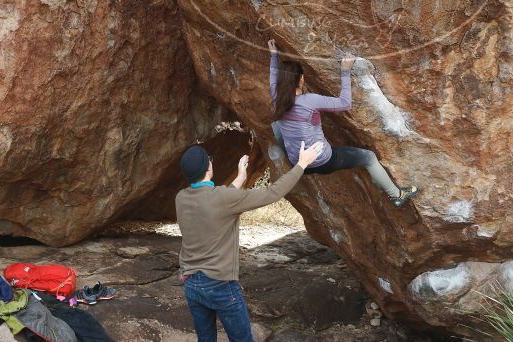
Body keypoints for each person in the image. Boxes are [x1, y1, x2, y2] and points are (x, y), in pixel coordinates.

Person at [176, 140, 324, 342]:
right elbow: (273, 192)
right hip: (220, 284)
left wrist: (241, 177)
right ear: (208, 167)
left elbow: (218, 199)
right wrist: (302, 164)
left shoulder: (181, 198)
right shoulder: (223, 198)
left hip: (191, 283)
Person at [268, 39, 419, 207]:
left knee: (277, 125)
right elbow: (344, 103)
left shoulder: (277, 98)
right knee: (369, 158)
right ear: (301, 80)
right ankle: (397, 194)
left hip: (298, 162)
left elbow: (273, 76)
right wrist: (345, 72)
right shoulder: (310, 100)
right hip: (322, 161)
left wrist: (274, 56)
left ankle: (292, 153)